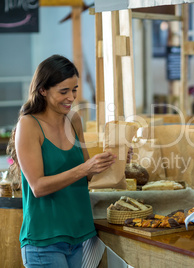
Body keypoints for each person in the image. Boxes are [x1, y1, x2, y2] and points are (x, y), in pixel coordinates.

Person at [7, 54, 116, 267]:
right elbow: (38, 186)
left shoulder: (74, 119)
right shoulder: (29, 125)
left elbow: (87, 175)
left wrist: (111, 161)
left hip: (78, 236)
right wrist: (85, 168)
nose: (71, 97)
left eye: (74, 89)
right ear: (43, 90)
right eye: (63, 91)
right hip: (44, 240)